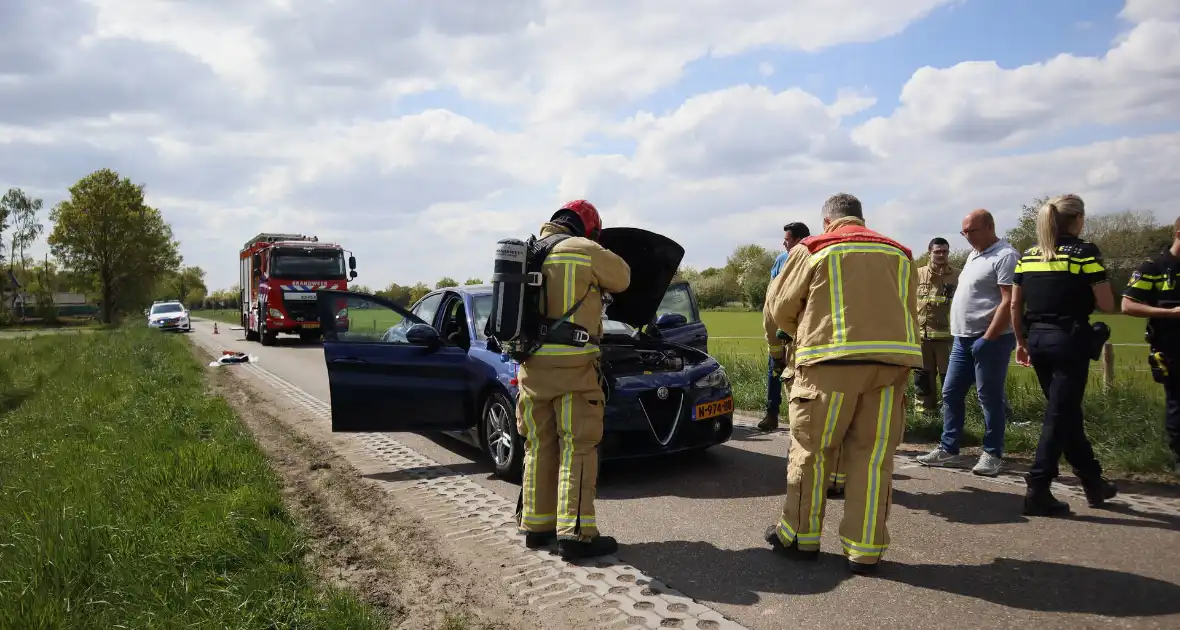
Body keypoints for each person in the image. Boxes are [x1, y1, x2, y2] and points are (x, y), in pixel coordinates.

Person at [762, 193, 920, 575]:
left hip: (828, 365)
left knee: (812, 451)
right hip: (889, 370)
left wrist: (794, 335)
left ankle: (800, 537)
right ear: (861, 218)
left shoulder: (814, 248)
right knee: (872, 458)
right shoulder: (900, 252)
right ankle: (864, 551)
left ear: (828, 220)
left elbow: (779, 306)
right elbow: (910, 306)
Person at [514, 200, 631, 559]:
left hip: (531, 368)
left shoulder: (528, 252)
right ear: (587, 228)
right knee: (578, 447)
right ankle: (576, 534)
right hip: (574, 367)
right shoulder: (583, 249)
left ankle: (536, 526)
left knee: (538, 446)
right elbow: (623, 277)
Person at [1011, 194, 1118, 515]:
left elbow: (1017, 304)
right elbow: (1107, 304)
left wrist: (1021, 341)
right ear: (1078, 219)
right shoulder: (1085, 252)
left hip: (1038, 340)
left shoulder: (1029, 255)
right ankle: (1038, 486)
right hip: (1069, 341)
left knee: (1066, 413)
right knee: (1059, 416)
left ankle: (1092, 481)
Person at [916, 209, 1018, 477]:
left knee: (989, 397)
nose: (968, 237)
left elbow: (1010, 301)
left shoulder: (1005, 256)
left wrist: (989, 337)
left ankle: (992, 454)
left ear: (989, 227)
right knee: (950, 393)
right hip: (962, 339)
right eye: (964, 232)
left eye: (972, 231)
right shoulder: (975, 254)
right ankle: (949, 448)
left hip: (990, 339)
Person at [1120, 215, 1180, 477]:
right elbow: (1128, 305)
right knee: (1178, 404)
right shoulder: (1155, 266)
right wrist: (1170, 313)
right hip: (1171, 347)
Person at [759, 221, 811, 432]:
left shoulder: (812, 259)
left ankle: (801, 422)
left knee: (801, 380)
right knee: (774, 372)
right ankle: (771, 415)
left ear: (799, 241)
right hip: (778, 334)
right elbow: (772, 298)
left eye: (787, 240)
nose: (783, 243)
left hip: (801, 336)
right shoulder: (781, 260)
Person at [914, 237, 959, 415]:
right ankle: (923, 416)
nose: (941, 255)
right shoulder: (917, 274)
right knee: (922, 378)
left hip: (946, 338)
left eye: (945, 251)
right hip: (922, 337)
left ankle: (950, 414)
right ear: (929, 253)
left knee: (949, 379)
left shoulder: (958, 275)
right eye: (937, 252)